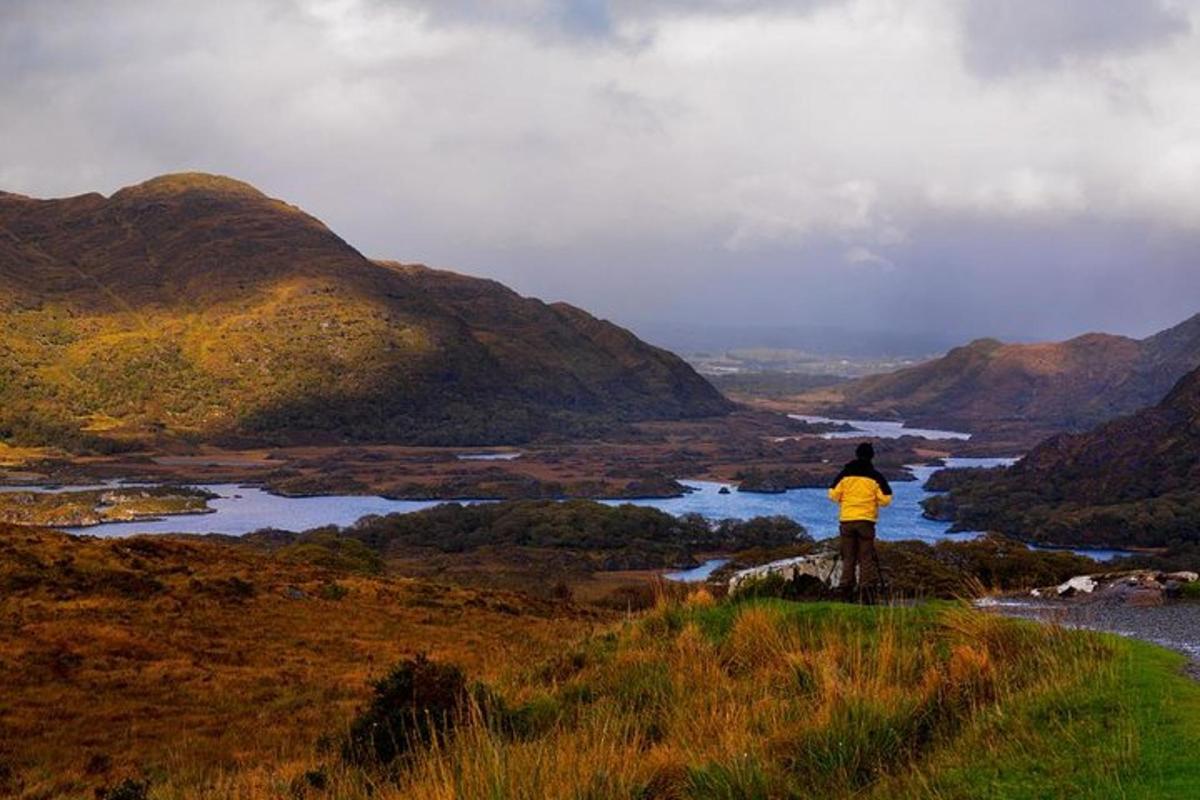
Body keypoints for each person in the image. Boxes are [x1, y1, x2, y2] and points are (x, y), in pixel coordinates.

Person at [827, 442, 892, 602]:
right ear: (871, 456)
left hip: (847, 520)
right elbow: (886, 500)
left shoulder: (845, 474)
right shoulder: (876, 476)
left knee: (848, 556)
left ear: (856, 454)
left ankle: (845, 589)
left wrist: (846, 499)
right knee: (866, 557)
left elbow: (833, 495)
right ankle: (865, 592)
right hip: (866, 521)